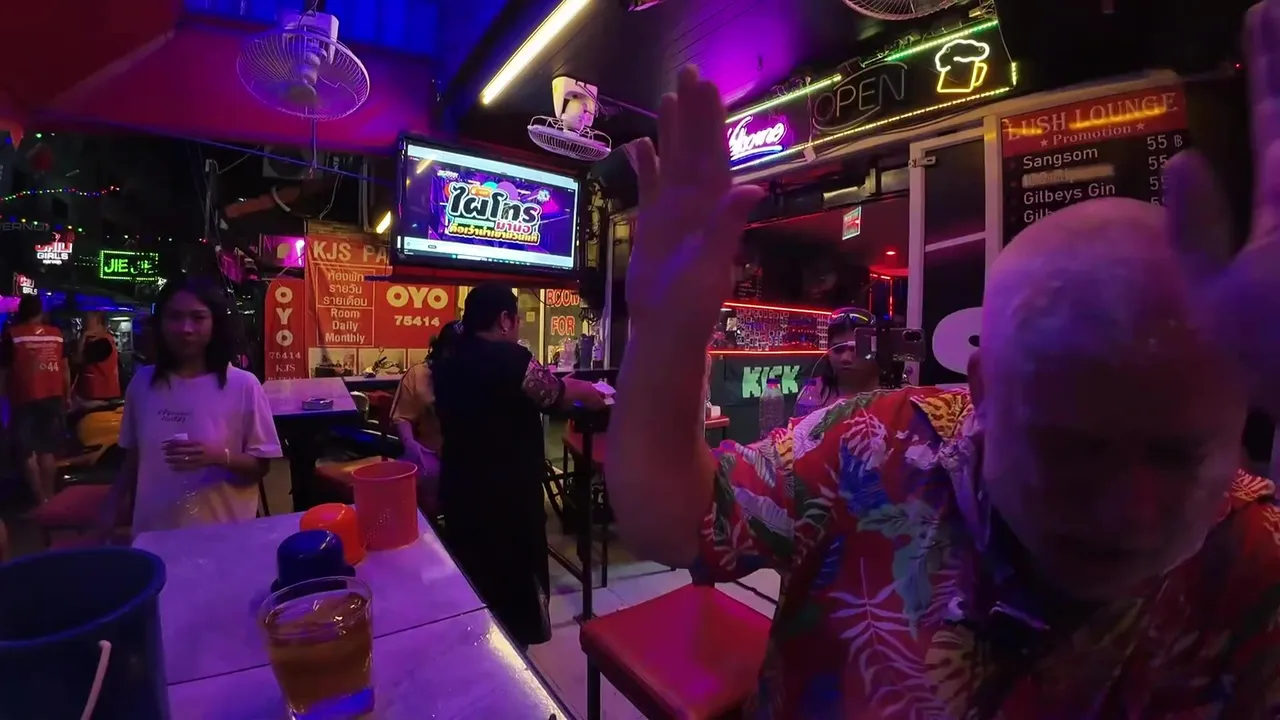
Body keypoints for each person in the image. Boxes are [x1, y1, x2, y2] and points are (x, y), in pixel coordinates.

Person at [608, 29, 1280, 718]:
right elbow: (673, 526)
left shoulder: (1254, 557)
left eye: (1179, 455)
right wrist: (665, 334)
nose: (1127, 512)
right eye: (1070, 448)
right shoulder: (873, 445)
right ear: (981, 391)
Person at [431, 283, 607, 648]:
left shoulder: (450, 356)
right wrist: (596, 393)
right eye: (518, 319)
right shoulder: (511, 358)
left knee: (472, 581)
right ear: (504, 320)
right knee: (511, 592)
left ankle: (476, 651)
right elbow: (558, 396)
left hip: (460, 491)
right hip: (506, 500)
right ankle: (512, 659)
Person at [96, 277, 282, 536]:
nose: (186, 328)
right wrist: (112, 504)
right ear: (160, 323)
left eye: (198, 317)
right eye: (174, 316)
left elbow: (260, 467)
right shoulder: (142, 383)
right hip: (154, 533)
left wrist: (219, 457)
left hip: (223, 537)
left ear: (215, 323)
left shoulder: (243, 385)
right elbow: (133, 458)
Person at [1, 295, 70, 504]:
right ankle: (50, 497)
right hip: (53, 397)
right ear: (40, 311)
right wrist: (66, 396)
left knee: (26, 453)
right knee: (47, 451)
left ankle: (41, 501)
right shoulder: (56, 335)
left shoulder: (12, 335)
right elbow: (65, 370)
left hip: (24, 399)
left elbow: (3, 372)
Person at [388, 322, 461, 515]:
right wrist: (409, 443)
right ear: (441, 349)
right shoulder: (418, 375)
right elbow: (403, 416)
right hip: (428, 455)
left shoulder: (478, 373)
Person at [791, 307, 880, 418]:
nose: (845, 358)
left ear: (874, 349)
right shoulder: (812, 393)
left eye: (855, 349)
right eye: (838, 349)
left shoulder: (893, 392)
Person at [74, 311, 122, 405]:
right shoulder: (102, 340)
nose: (83, 325)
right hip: (98, 395)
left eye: (86, 321)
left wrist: (83, 336)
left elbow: (76, 359)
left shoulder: (102, 343)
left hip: (99, 397)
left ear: (99, 323)